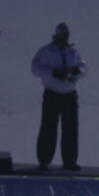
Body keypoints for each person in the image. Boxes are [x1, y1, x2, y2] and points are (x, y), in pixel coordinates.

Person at [29, 22, 85, 170]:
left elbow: (84, 67)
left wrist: (76, 72)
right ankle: (44, 160)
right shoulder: (45, 51)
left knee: (71, 129)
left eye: (67, 34)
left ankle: (69, 161)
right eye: (63, 34)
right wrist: (53, 73)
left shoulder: (73, 51)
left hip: (69, 94)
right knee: (48, 127)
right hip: (52, 93)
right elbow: (35, 69)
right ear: (57, 35)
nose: (66, 37)